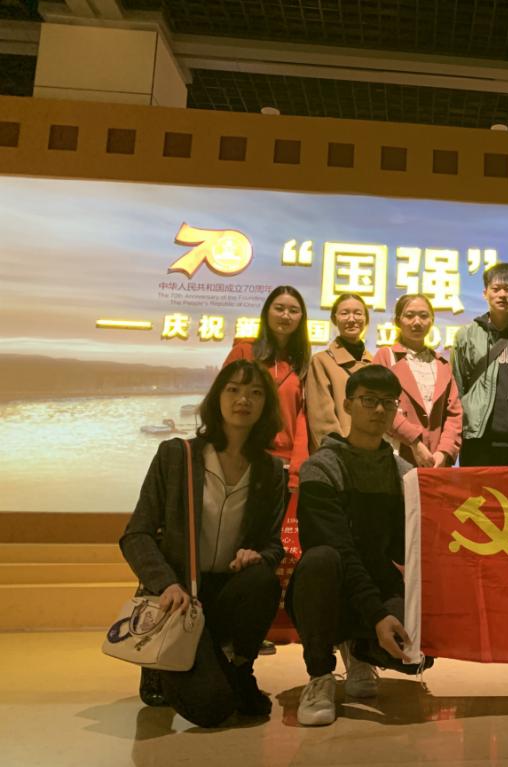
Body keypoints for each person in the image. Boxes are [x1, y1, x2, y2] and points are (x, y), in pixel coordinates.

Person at [120, 360, 287, 727]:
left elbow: (273, 546)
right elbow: (136, 535)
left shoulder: (271, 471)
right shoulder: (177, 456)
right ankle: (164, 666)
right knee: (212, 708)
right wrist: (167, 583)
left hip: (227, 593)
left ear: (266, 405)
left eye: (256, 393)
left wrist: (256, 555)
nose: (244, 399)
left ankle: (240, 667)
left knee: (263, 579)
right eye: (234, 389)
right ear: (217, 398)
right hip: (180, 598)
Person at [289, 365, 423, 727]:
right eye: (368, 400)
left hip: (376, 582)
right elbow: (339, 549)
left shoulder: (403, 474)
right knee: (321, 560)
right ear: (348, 405)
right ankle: (319, 673)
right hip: (328, 586)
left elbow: (402, 549)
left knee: (416, 650)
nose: (379, 410)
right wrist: (378, 616)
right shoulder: (322, 467)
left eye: (388, 402)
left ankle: (360, 650)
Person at [451, 262, 508, 466]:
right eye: (496, 289)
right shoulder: (466, 336)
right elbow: (457, 388)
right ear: (485, 293)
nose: (502, 294)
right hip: (476, 439)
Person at [223, 285, 310, 490]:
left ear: (301, 318)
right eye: (279, 308)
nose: (286, 315)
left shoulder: (302, 363)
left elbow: (303, 416)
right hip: (243, 459)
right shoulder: (244, 352)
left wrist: (297, 468)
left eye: (293, 310)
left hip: (284, 464)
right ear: (266, 312)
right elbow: (222, 402)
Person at [373, 294, 463, 467]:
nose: (417, 322)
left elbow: (454, 414)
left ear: (432, 320)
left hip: (435, 460)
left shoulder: (442, 364)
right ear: (398, 321)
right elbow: (382, 406)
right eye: (409, 316)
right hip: (396, 455)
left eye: (423, 316)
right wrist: (414, 442)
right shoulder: (385, 357)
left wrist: (444, 452)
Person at [307, 292, 374, 449]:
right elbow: (322, 419)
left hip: (371, 450)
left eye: (358, 313)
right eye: (344, 313)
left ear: (366, 319)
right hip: (339, 453)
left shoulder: (374, 364)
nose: (351, 319)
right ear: (334, 319)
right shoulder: (321, 361)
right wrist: (339, 453)